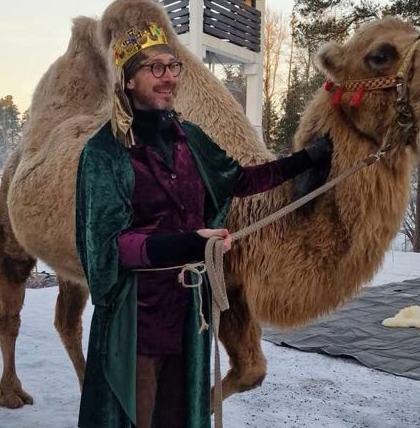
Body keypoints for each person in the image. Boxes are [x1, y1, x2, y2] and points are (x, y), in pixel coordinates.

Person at [75, 22, 332, 428]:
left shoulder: (188, 138)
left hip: (190, 316)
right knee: (138, 417)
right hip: (136, 320)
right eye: (155, 68)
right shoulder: (104, 153)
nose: (170, 77)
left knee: (180, 417)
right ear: (128, 79)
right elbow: (109, 247)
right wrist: (188, 244)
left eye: (172, 66)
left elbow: (240, 180)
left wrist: (306, 158)